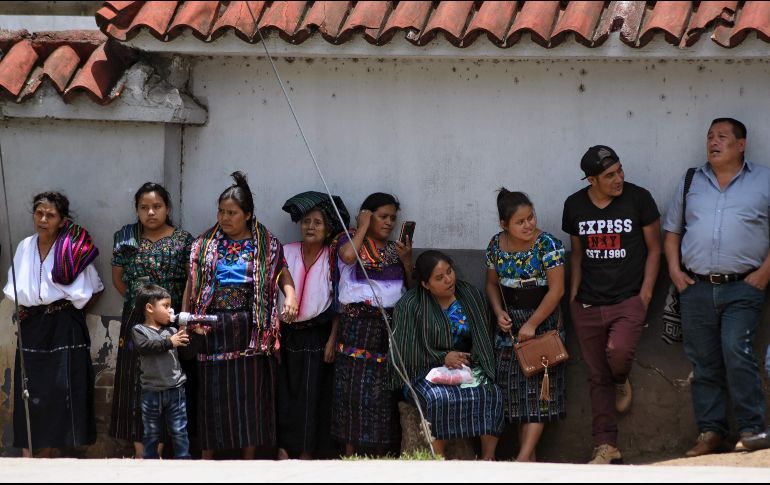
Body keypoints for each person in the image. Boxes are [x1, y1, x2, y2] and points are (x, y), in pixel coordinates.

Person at [663, 118, 770, 457]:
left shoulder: (764, 180)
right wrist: (675, 273)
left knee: (737, 350)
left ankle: (752, 429)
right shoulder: (691, 179)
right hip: (695, 287)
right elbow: (673, 231)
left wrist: (764, 274)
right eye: (710, 136)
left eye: (723, 136)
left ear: (741, 145)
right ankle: (711, 432)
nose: (714, 142)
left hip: (743, 286)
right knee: (703, 361)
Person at [182, 171, 298, 460]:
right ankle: (207, 456)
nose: (224, 217)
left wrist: (291, 298)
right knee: (211, 393)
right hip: (211, 325)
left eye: (232, 212)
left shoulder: (267, 244)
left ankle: (249, 458)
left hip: (251, 325)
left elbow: (282, 273)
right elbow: (192, 283)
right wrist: (188, 318)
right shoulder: (204, 244)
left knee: (250, 394)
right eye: (221, 211)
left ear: (247, 214)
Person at [562, 146, 661, 464]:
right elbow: (576, 252)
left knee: (617, 354)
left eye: (620, 170)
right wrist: (574, 294)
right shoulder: (575, 205)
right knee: (595, 376)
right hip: (587, 303)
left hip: (628, 299)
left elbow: (655, 250)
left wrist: (644, 296)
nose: (619, 178)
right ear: (592, 179)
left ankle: (621, 379)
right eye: (609, 175)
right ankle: (606, 446)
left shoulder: (639, 198)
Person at [3, 191, 104, 457]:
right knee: (29, 387)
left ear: (62, 220)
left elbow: (96, 289)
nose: (43, 219)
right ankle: (30, 452)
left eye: (50, 215)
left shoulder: (72, 248)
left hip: (64, 326)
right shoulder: (25, 246)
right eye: (39, 213)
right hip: (32, 325)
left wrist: (65, 313)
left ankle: (52, 450)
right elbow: (15, 287)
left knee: (61, 389)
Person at [109, 182, 194, 458]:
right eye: (144, 207)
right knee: (134, 383)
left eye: (157, 206)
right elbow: (118, 279)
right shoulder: (126, 239)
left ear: (167, 208)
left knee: (169, 382)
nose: (151, 212)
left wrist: (172, 316)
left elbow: (192, 281)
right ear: (137, 210)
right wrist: (143, 310)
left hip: (170, 322)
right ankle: (142, 454)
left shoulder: (183, 241)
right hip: (136, 321)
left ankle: (163, 450)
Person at [393, 250, 503, 460]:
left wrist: (469, 358)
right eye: (439, 278)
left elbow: (482, 336)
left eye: (449, 272)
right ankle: (439, 458)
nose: (448, 279)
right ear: (425, 284)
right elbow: (405, 352)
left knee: (492, 393)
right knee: (438, 398)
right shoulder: (410, 306)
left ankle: (489, 459)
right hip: (422, 372)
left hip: (466, 367)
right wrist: (442, 357)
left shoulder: (470, 296)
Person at [485, 190, 566, 462]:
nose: (529, 224)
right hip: (509, 327)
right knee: (514, 396)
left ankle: (521, 462)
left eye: (530, 217)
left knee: (538, 396)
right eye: (520, 221)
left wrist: (532, 324)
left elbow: (556, 291)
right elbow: (491, 284)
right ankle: (528, 464)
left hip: (541, 325)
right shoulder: (496, 245)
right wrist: (498, 312)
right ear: (504, 224)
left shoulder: (548, 245)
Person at [331, 192, 413, 456]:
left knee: (381, 393)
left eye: (392, 218)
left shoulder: (395, 250)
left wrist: (407, 261)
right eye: (382, 216)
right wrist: (362, 226)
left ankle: (379, 453)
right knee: (351, 391)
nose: (389, 223)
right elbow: (346, 257)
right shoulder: (348, 239)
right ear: (367, 215)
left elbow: (410, 289)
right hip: (355, 325)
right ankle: (350, 452)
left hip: (386, 327)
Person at [276, 191, 350, 460]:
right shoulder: (286, 251)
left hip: (317, 335)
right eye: (306, 221)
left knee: (311, 396)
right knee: (283, 393)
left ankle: (307, 453)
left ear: (328, 228)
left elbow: (340, 301)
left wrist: (333, 339)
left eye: (317, 222)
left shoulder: (333, 257)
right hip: (285, 334)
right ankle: (283, 451)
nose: (310, 227)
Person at [131, 284, 192, 460]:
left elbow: (187, 354)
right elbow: (145, 347)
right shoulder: (139, 330)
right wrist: (169, 342)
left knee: (179, 430)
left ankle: (184, 461)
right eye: (165, 306)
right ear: (149, 308)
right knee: (151, 432)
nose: (170, 310)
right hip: (151, 391)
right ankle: (150, 464)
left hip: (176, 389)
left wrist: (193, 335)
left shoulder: (172, 331)